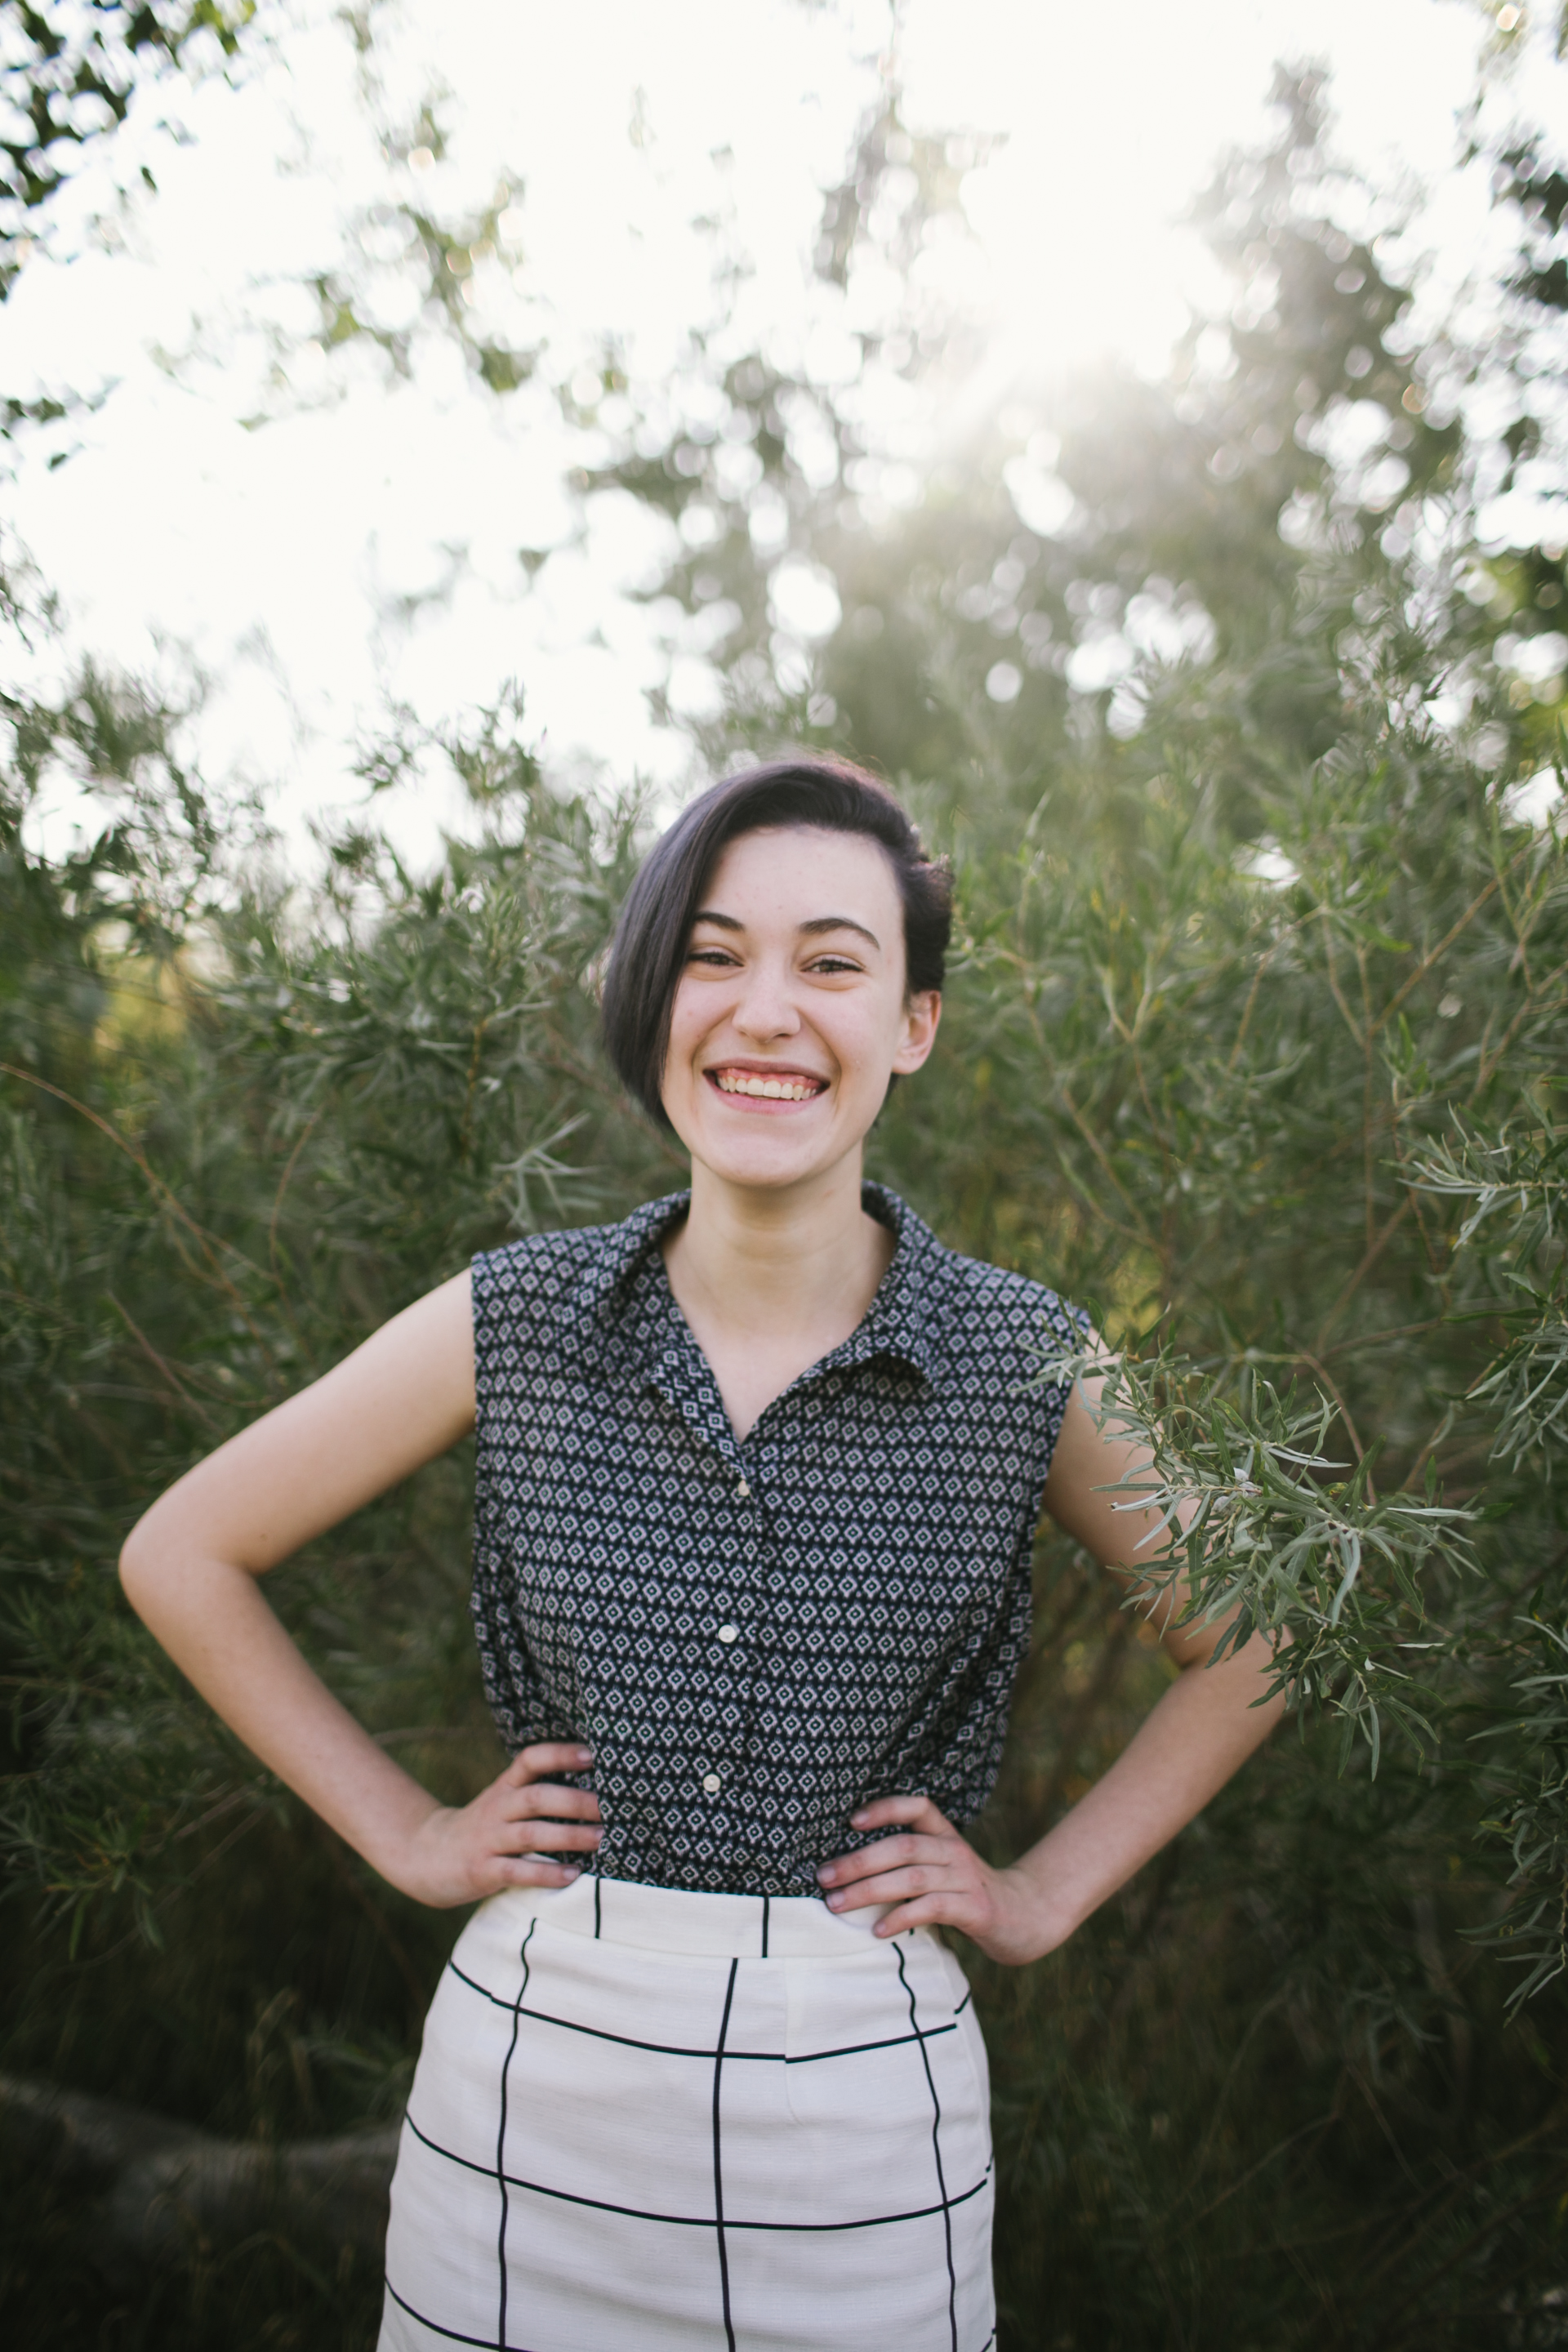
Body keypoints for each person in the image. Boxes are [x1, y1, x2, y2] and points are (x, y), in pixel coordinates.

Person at [119, 756, 1285, 2352]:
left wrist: (1039, 1895)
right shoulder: (516, 1320)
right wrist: (403, 1829)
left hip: (864, 2124)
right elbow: (182, 1551)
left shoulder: (1024, 1356)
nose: (763, 1010)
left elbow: (1262, 1634)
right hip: (534, 2095)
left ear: (914, 1026)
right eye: (715, 953)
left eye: (831, 962)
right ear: (654, 991)